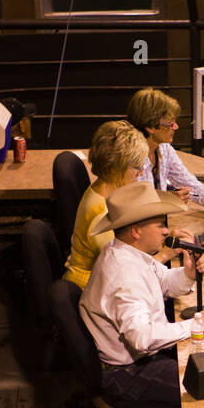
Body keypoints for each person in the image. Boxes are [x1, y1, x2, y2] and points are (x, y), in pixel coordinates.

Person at [79, 180, 204, 408]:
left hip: (141, 359)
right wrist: (196, 326)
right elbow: (141, 338)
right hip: (126, 374)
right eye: (160, 225)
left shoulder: (125, 252)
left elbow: (161, 283)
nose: (167, 231)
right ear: (136, 231)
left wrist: (187, 272)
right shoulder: (123, 274)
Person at [63, 119, 150, 289]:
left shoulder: (107, 189)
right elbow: (123, 268)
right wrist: (164, 253)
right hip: (89, 290)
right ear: (118, 167)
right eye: (137, 167)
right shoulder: (101, 211)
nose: (140, 173)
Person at [127, 88, 204, 214]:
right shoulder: (130, 157)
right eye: (171, 124)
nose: (176, 127)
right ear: (151, 127)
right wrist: (166, 201)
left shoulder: (164, 148)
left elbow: (192, 186)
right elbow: (134, 208)